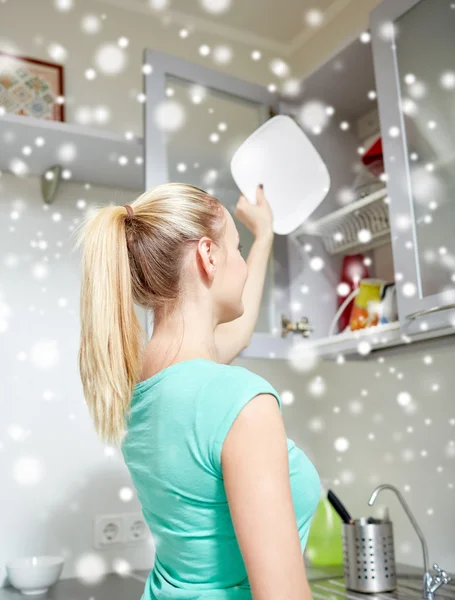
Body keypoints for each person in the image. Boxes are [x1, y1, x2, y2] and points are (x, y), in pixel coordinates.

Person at [76, 182, 320, 600]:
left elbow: (235, 335)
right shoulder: (241, 401)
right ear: (208, 255)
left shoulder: (138, 384)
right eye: (236, 249)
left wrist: (262, 238)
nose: (241, 265)